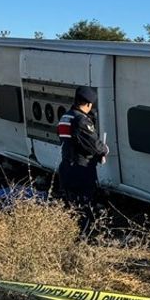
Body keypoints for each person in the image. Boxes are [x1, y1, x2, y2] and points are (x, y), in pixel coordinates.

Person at [56, 86, 109, 236]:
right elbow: (95, 145)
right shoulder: (81, 121)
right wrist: (104, 149)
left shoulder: (66, 117)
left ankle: (70, 237)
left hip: (67, 167)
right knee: (83, 208)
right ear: (88, 104)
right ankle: (82, 241)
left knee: (71, 207)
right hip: (81, 169)